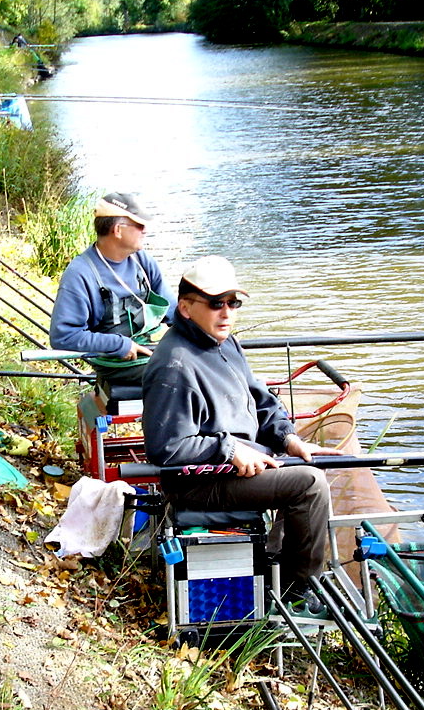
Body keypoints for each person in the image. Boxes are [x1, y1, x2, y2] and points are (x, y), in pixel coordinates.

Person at [141, 256, 344, 608]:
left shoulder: (226, 343)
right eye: (216, 303)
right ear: (186, 308)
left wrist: (286, 437)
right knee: (309, 486)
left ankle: (275, 562)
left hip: (240, 462)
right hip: (199, 482)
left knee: (314, 469)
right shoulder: (174, 365)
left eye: (233, 303)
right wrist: (230, 451)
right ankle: (299, 590)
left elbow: (260, 399)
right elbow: (167, 448)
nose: (227, 313)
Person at [49, 193, 175, 391]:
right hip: (115, 361)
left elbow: (174, 313)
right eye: (140, 226)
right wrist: (119, 345)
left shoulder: (142, 261)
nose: (145, 231)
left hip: (152, 348)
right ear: (118, 230)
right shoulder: (80, 274)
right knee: (182, 370)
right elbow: (63, 336)